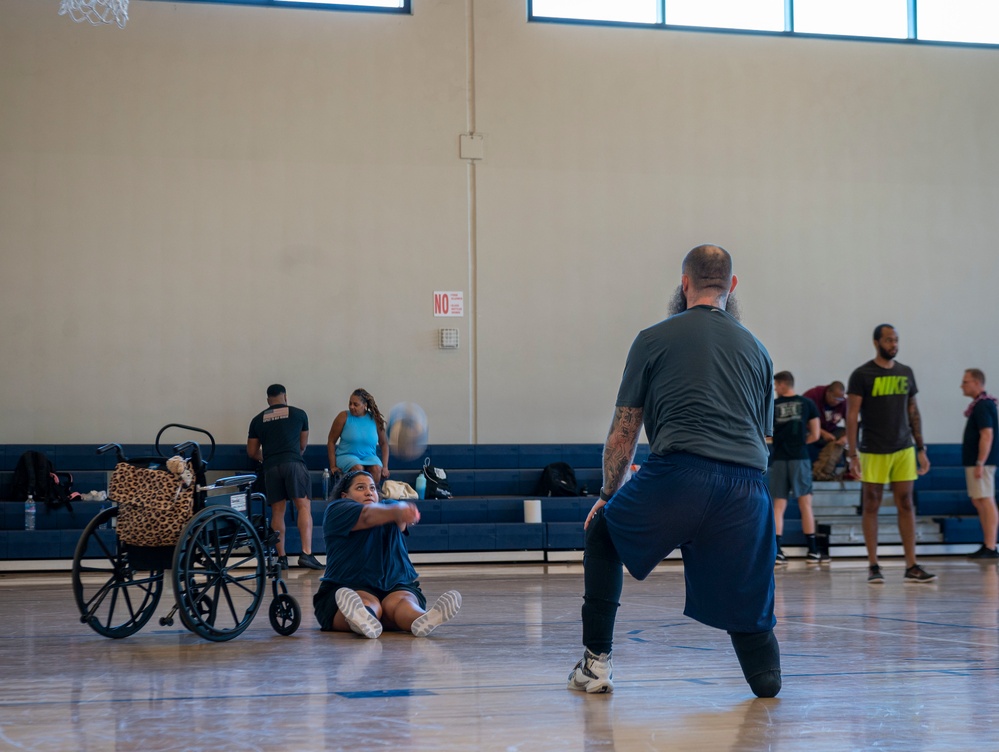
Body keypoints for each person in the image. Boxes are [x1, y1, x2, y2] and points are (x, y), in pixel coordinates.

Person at [567, 244, 781, 699]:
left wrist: (608, 494)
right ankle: (766, 680)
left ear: (684, 285)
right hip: (749, 490)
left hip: (680, 473)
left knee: (603, 535)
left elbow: (623, 434)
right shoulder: (760, 352)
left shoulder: (653, 338)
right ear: (732, 287)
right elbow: (764, 442)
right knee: (748, 598)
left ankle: (595, 665)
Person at [313, 470, 462, 638]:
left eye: (372, 488)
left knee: (403, 602)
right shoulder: (337, 509)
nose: (369, 492)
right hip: (348, 585)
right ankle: (361, 618)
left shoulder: (388, 506)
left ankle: (424, 618)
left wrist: (403, 511)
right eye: (360, 488)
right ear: (345, 495)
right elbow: (368, 516)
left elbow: (400, 523)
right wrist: (398, 511)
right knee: (364, 601)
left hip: (394, 584)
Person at [846, 324, 934, 584]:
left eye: (896, 340)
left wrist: (921, 448)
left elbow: (913, 412)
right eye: (888, 340)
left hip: (904, 448)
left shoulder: (906, 372)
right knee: (871, 505)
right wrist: (852, 454)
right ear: (876, 343)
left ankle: (912, 565)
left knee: (906, 504)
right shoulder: (861, 374)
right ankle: (873, 565)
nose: (894, 344)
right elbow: (852, 416)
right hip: (872, 449)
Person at [247, 384, 323, 570]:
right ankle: (306, 553)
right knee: (303, 506)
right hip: (294, 463)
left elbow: (252, 452)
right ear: (285, 397)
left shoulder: (257, 420)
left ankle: (281, 558)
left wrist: (268, 457)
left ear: (268, 400)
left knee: (277, 511)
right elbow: (302, 446)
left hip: (271, 467)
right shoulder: (299, 414)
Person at [770, 371, 822, 563]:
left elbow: (768, 435)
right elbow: (816, 435)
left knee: (778, 506)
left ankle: (777, 552)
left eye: (776, 385)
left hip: (780, 458)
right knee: (805, 504)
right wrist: (800, 444)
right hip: (800, 457)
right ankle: (813, 550)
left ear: (783, 384)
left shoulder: (773, 406)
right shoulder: (807, 403)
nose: (775, 389)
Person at [960, 368, 999, 559]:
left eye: (965, 382)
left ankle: (991, 546)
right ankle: (987, 544)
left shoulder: (983, 405)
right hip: (976, 462)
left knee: (986, 499)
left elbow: (987, 434)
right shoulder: (979, 405)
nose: (962, 385)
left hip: (981, 462)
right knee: (978, 500)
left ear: (976, 382)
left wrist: (980, 462)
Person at [327, 388, 390, 485]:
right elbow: (331, 441)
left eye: (356, 404)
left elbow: (384, 443)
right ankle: (356, 497)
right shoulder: (343, 416)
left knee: (377, 468)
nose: (352, 407)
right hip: (346, 456)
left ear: (365, 406)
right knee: (358, 468)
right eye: (350, 403)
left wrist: (385, 467)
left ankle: (372, 497)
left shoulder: (375, 419)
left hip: (369, 456)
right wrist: (333, 466)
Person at [802, 381, 849, 481]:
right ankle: (818, 472)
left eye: (840, 399)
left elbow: (851, 423)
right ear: (828, 392)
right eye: (835, 398)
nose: (837, 401)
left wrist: (846, 437)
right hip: (810, 431)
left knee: (844, 437)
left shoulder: (843, 402)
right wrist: (822, 432)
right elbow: (802, 419)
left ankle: (824, 471)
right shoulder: (812, 396)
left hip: (831, 431)